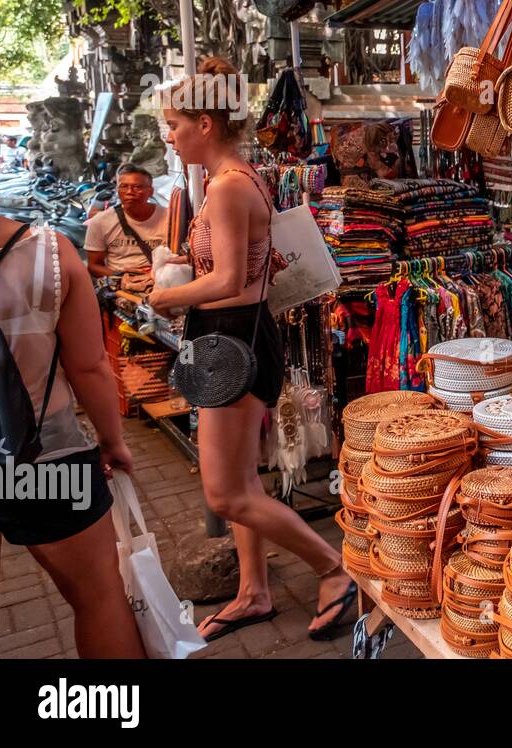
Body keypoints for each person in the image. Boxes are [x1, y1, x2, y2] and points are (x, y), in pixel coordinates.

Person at [148, 57, 356, 642]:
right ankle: (253, 591)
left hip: (230, 336)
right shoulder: (233, 180)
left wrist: (170, 297)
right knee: (240, 478)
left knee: (224, 491)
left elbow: (230, 281)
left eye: (174, 124)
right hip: (228, 335)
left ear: (205, 124)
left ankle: (334, 570)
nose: (169, 135)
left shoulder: (231, 187)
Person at [0, 135, 145, 659]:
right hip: (42, 455)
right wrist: (112, 441)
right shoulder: (47, 254)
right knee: (99, 597)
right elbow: (89, 367)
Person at [85, 163, 167, 282]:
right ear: (117, 190)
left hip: (160, 281)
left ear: (150, 191)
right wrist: (122, 276)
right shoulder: (101, 221)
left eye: (137, 187)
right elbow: (93, 266)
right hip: (120, 284)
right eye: (123, 186)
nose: (129, 192)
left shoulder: (169, 217)